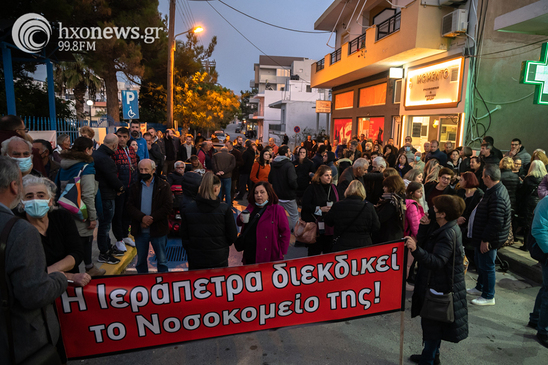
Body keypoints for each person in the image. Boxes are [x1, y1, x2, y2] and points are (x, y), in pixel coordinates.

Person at [0, 156, 68, 363]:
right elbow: (33, 294)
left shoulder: (58, 219)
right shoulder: (19, 230)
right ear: (15, 187)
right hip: (19, 340)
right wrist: (59, 278)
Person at [405, 195, 468, 364]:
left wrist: (416, 249)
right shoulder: (442, 227)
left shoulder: (447, 233)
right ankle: (432, 355)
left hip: (438, 287)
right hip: (434, 284)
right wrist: (424, 227)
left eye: (434, 208)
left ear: (442, 214)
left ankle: (429, 358)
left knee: (433, 328)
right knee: (433, 327)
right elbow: (428, 245)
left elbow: (437, 261)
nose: (430, 209)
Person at [20, 174, 92, 284]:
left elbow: (77, 252)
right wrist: (67, 276)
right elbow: (26, 270)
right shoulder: (18, 227)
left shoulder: (62, 217)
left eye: (41, 196)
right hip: (38, 289)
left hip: (69, 289)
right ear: (22, 203)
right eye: (29, 197)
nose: (35, 200)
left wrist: (48, 272)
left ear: (50, 200)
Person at [467, 164, 511, 306]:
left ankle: (488, 295)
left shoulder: (497, 194)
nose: (481, 178)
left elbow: (496, 221)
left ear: (488, 177)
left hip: (488, 238)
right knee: (481, 263)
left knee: (487, 266)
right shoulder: (492, 190)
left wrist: (486, 240)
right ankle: (480, 286)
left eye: (483, 175)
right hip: (482, 235)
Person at [57, 137, 102, 270]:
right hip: (81, 212)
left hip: (65, 208)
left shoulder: (63, 165)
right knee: (84, 242)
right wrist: (92, 217)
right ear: (87, 150)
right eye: (92, 149)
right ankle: (86, 269)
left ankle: (80, 269)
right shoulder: (86, 167)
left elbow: (56, 186)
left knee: (69, 243)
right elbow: (88, 194)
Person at [181, 172, 237, 270]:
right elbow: (232, 236)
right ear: (216, 188)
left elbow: (184, 236)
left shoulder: (188, 209)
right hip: (219, 257)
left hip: (196, 257)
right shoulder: (224, 209)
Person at [126, 159, 172, 273]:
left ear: (153, 170)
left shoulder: (164, 186)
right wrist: (142, 218)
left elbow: (167, 206)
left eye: (146, 169)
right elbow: (129, 206)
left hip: (158, 230)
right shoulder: (135, 186)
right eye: (141, 169)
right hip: (140, 231)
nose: (143, 172)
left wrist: (151, 219)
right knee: (141, 261)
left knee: (162, 261)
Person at [236, 181, 290, 264]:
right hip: (250, 253)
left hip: (268, 254)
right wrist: (240, 218)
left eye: (262, 192)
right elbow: (240, 223)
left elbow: (285, 232)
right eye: (256, 193)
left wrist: (282, 252)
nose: (259, 195)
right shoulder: (251, 206)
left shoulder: (277, 210)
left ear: (268, 193)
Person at [92, 134, 125, 266]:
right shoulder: (106, 159)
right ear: (114, 145)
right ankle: (104, 252)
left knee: (105, 224)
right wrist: (121, 187)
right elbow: (111, 178)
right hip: (106, 195)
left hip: (102, 193)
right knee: (105, 225)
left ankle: (106, 247)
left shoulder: (96, 154)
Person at [325, 180, 379, 252]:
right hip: (363, 244)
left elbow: (328, 222)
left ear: (347, 190)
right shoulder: (369, 207)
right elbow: (376, 227)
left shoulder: (338, 205)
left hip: (342, 244)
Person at [301, 165, 340, 256]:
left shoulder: (334, 188)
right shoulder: (312, 188)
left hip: (331, 226)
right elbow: (305, 206)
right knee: (314, 253)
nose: (329, 177)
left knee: (329, 254)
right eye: (326, 175)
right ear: (319, 176)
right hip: (316, 226)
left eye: (330, 175)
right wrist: (319, 209)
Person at [112, 127, 138, 253]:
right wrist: (117, 187)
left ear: (128, 138)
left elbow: (135, 167)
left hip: (131, 187)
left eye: (124, 136)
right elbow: (112, 172)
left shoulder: (131, 150)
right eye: (119, 136)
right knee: (118, 214)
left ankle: (125, 235)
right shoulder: (113, 151)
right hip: (119, 188)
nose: (121, 139)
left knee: (127, 213)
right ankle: (118, 239)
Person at [529, 196, 548, 348]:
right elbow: (539, 228)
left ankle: (536, 319)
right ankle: (544, 331)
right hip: (547, 251)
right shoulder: (546, 201)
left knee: (546, 288)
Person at [517, 160, 547, 251]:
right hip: (540, 202)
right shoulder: (544, 178)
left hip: (529, 203)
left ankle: (526, 245)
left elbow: (522, 192)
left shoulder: (528, 179)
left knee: (528, 224)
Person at [269, 145, 299, 230]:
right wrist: (295, 188)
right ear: (286, 154)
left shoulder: (274, 163)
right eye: (289, 152)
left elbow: (270, 179)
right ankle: (298, 236)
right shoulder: (289, 165)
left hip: (277, 195)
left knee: (276, 216)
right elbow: (292, 181)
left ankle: (275, 232)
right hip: (288, 196)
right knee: (294, 216)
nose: (290, 153)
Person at [456, 172, 484, 261]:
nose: (459, 182)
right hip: (458, 222)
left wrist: (465, 219)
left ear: (467, 181)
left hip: (471, 224)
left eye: (461, 180)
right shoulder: (460, 192)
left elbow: (478, 212)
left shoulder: (479, 194)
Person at [372, 175, 406, 244]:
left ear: (391, 187)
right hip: (395, 235)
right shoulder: (400, 199)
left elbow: (380, 218)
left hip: (388, 237)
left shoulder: (392, 202)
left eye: (385, 186)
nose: (383, 188)